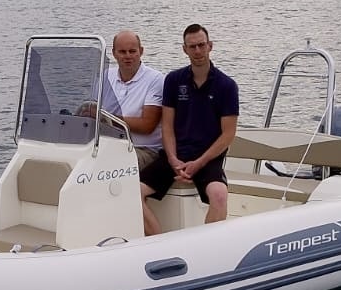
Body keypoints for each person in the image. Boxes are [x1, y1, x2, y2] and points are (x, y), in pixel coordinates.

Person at [138, 23, 238, 235]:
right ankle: (158, 243)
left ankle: (207, 247)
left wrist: (198, 163)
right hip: (175, 156)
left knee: (219, 195)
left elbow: (228, 134)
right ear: (185, 49)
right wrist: (173, 160)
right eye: (192, 47)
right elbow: (167, 126)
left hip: (208, 159)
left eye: (201, 45)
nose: (198, 51)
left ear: (210, 46)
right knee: (132, 193)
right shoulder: (173, 81)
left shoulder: (227, 86)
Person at [99, 30, 165, 171]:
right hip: (108, 145)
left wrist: (107, 119)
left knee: (106, 165)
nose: (128, 56)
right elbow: (92, 108)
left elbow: (147, 125)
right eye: (122, 52)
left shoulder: (155, 79)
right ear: (114, 53)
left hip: (144, 150)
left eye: (132, 51)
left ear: (141, 51)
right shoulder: (105, 76)